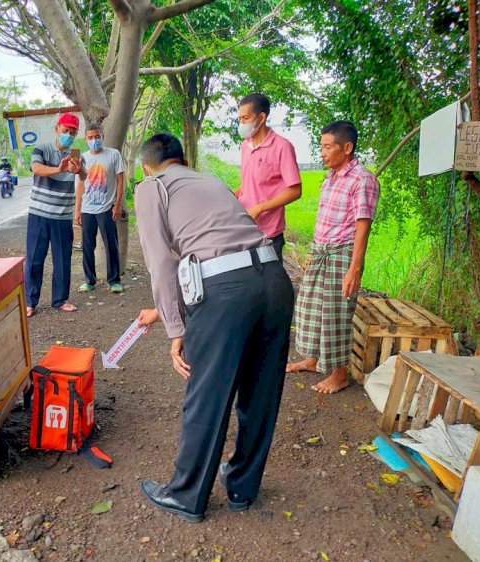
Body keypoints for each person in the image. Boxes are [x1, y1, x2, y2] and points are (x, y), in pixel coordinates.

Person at [134, 133, 294, 523]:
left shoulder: (152, 187)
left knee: (207, 393)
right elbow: (218, 248)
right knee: (260, 392)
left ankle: (186, 495)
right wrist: (166, 312)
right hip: (274, 279)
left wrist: (176, 330)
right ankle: (242, 487)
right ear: (184, 159)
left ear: (146, 166)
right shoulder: (210, 182)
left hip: (226, 292)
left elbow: (161, 263)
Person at [286, 121, 380, 394]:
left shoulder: (362, 179)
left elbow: (363, 226)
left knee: (336, 314)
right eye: (321, 146)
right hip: (321, 251)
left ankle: (339, 375)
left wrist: (354, 269)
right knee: (311, 307)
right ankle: (314, 360)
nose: (322, 152)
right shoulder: (332, 176)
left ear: (347, 148)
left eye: (328, 147)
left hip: (342, 254)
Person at [25, 112, 86, 317]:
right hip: (39, 214)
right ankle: (30, 301)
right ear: (56, 129)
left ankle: (60, 299)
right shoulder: (42, 148)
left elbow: (84, 176)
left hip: (62, 216)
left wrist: (79, 171)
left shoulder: (77, 155)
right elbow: (36, 168)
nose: (68, 134)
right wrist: (57, 169)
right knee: (34, 259)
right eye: (65, 130)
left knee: (62, 260)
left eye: (72, 132)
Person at [236, 93, 302, 263]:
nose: (241, 123)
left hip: (269, 233)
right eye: (240, 118)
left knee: (271, 285)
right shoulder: (245, 146)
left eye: (246, 118)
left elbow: (295, 190)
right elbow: (248, 184)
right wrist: (233, 194)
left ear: (261, 117)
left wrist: (260, 208)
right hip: (244, 228)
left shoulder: (282, 147)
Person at [74, 123, 124, 294]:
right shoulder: (82, 158)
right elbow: (80, 185)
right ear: (85, 139)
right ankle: (89, 280)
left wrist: (117, 205)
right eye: (90, 137)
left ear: (102, 137)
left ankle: (114, 280)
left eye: (97, 137)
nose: (94, 140)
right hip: (87, 210)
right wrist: (77, 210)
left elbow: (120, 180)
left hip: (106, 209)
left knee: (111, 245)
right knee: (87, 246)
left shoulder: (113, 154)